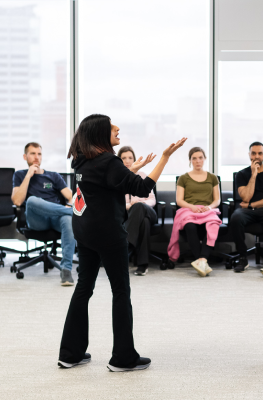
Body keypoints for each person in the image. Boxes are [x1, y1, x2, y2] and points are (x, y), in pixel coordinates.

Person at [58, 114, 186, 372]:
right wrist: (165, 157)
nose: (117, 129)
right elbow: (142, 188)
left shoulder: (81, 160)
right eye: (111, 126)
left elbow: (108, 183)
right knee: (121, 291)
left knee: (84, 288)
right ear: (99, 134)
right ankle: (123, 358)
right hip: (107, 233)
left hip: (84, 231)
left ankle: (70, 354)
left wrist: (131, 169)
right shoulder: (108, 161)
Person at [11, 142, 75, 286]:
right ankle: (71, 212)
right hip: (37, 220)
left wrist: (70, 205)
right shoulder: (20, 175)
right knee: (32, 200)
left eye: (39, 154)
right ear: (25, 156)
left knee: (67, 219)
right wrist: (28, 175)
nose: (36, 157)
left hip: (56, 217)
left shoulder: (53, 176)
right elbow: (17, 201)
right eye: (32, 153)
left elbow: (71, 197)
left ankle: (66, 270)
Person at [229, 142, 263, 278]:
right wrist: (253, 175)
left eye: (260, 153)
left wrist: (252, 205)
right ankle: (242, 257)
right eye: (253, 153)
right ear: (249, 155)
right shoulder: (242, 174)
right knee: (236, 218)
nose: (256, 156)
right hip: (247, 212)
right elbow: (245, 197)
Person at [167, 147, 221, 277]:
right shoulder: (183, 178)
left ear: (205, 159)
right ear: (190, 160)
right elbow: (179, 200)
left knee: (212, 225)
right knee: (190, 226)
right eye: (194, 158)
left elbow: (217, 200)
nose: (198, 161)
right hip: (188, 210)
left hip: (206, 210)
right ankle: (200, 259)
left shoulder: (212, 178)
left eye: (200, 158)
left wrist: (209, 207)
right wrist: (192, 207)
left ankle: (202, 260)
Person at [118, 146, 157, 276]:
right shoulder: (118, 179)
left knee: (141, 209)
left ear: (135, 160)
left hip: (148, 211)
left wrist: (140, 203)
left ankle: (127, 244)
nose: (127, 161)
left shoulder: (142, 176)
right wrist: (129, 205)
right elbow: (115, 201)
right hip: (128, 215)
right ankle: (142, 265)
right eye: (123, 158)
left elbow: (152, 200)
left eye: (130, 158)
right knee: (143, 223)